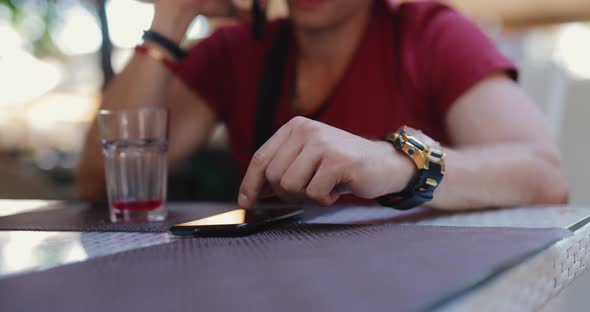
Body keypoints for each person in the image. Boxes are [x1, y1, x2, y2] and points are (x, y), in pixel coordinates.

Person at [78, 0, 568, 211]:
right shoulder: (238, 50)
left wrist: (399, 162)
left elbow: (545, 176)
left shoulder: (429, 34)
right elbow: (101, 180)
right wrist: (172, 16)